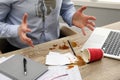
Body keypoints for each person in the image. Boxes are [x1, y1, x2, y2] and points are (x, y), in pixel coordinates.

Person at [0, 0, 96, 53]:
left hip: (54, 47)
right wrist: (16, 30)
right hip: (20, 51)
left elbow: (66, 8)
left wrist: (72, 17)